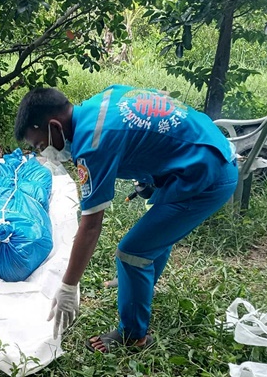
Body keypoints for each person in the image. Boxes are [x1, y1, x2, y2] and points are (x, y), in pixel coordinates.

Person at [14, 86, 238, 352]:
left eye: (41, 145)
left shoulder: (93, 142)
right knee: (151, 240)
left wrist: (68, 286)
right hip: (206, 150)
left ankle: (133, 336)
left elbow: (91, 225)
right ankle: (136, 285)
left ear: (54, 125)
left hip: (207, 175)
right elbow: (145, 125)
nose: (44, 153)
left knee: (132, 253)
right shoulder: (100, 101)